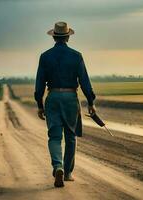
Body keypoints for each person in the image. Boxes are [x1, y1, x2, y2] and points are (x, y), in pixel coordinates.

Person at [34, 21, 96, 187]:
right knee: (70, 137)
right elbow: (85, 82)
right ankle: (67, 173)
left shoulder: (45, 56)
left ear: (54, 36)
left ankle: (58, 166)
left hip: (53, 97)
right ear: (68, 36)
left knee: (54, 136)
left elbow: (39, 83)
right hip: (70, 98)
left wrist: (39, 104)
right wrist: (91, 101)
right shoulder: (77, 56)